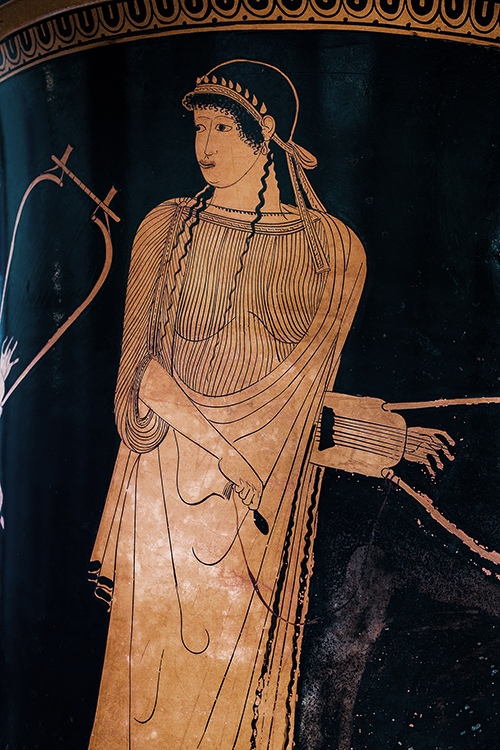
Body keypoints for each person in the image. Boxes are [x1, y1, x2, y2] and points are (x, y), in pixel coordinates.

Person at [87, 60, 447, 749]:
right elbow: (143, 381)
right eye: (199, 127)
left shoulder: (328, 249)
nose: (204, 144)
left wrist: (385, 438)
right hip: (166, 500)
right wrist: (227, 452)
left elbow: (293, 409)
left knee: (228, 703)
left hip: (255, 512)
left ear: (267, 134)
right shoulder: (165, 228)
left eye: (222, 128)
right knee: (147, 700)